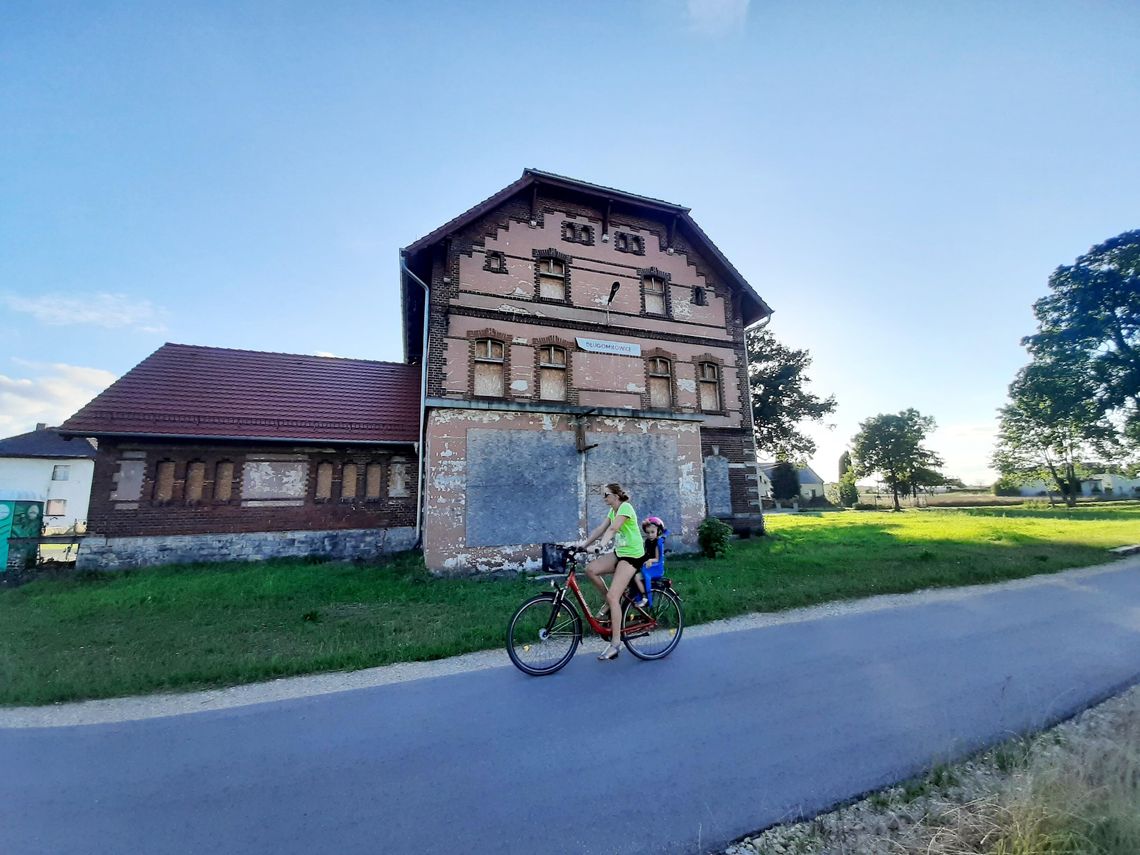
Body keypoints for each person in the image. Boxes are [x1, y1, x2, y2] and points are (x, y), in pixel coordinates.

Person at [572, 482, 647, 661]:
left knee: (614, 597)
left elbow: (613, 529)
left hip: (632, 556)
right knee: (590, 569)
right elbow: (601, 529)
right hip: (620, 553)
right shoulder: (612, 510)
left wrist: (600, 546)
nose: (604, 497)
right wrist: (583, 546)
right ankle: (609, 602)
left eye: (606, 494)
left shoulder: (625, 507)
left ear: (615, 495)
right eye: (603, 494)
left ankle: (615, 644)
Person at [631, 516, 666, 608]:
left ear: (658, 532)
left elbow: (658, 558)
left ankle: (645, 598)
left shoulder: (657, 543)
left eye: (652, 532)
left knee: (638, 577)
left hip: (655, 568)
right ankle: (637, 597)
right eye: (648, 533)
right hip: (648, 565)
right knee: (633, 574)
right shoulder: (647, 542)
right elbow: (645, 553)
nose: (650, 535)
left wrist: (650, 560)